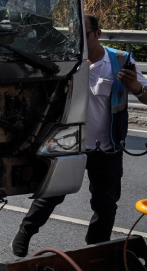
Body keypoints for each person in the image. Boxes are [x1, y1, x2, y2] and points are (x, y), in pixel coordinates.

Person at [13, 14, 147, 257]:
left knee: (105, 206)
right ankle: (25, 232)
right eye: (74, 36)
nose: (79, 41)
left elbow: (145, 93)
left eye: (83, 35)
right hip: (70, 144)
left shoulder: (121, 60)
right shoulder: (66, 59)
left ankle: (95, 253)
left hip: (108, 147)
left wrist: (136, 88)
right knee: (51, 195)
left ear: (98, 34)